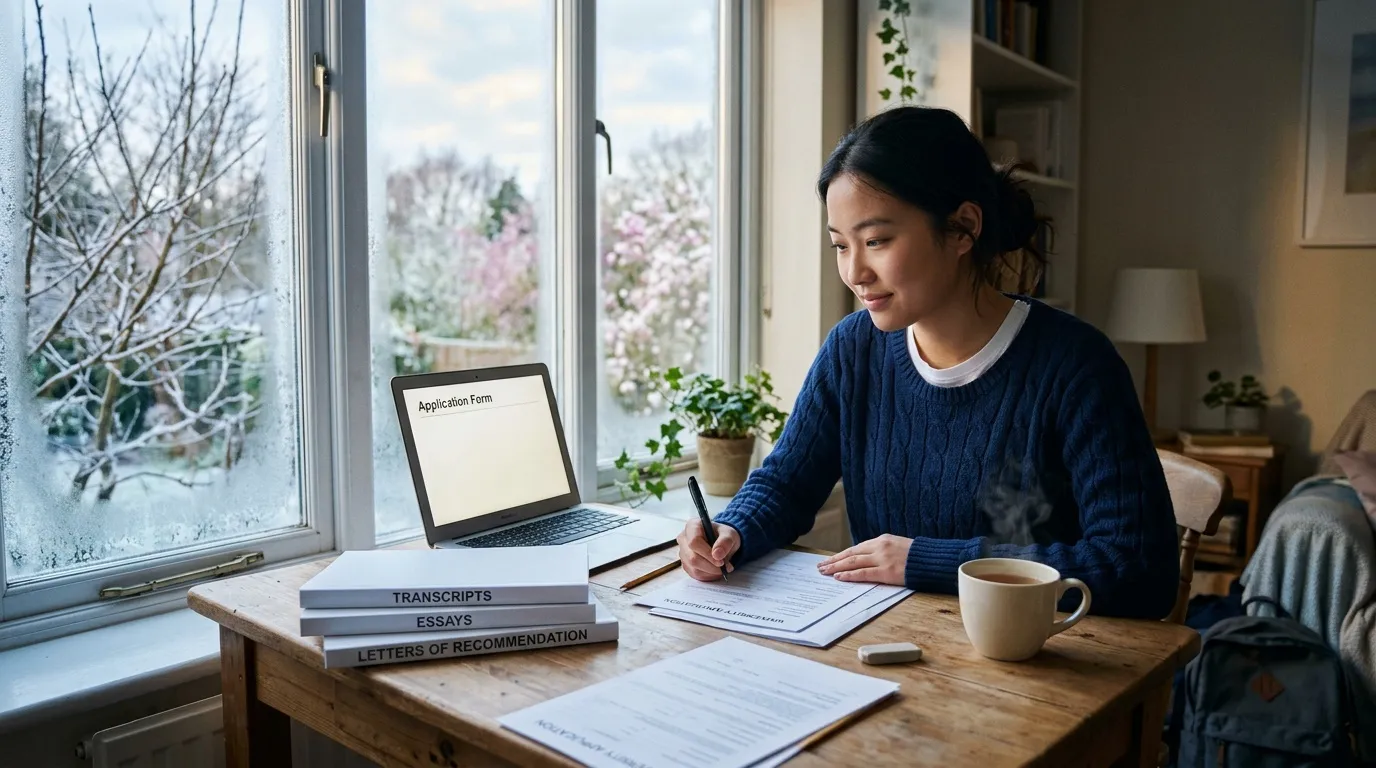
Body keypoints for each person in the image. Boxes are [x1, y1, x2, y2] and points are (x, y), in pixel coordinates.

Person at [676, 105, 1179, 619]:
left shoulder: (1075, 366)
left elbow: (1139, 569)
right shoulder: (854, 350)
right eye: (839, 245)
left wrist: (926, 561)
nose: (854, 272)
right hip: (886, 649)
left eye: (875, 241)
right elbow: (787, 482)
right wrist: (732, 529)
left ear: (963, 229)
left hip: (1033, 666)